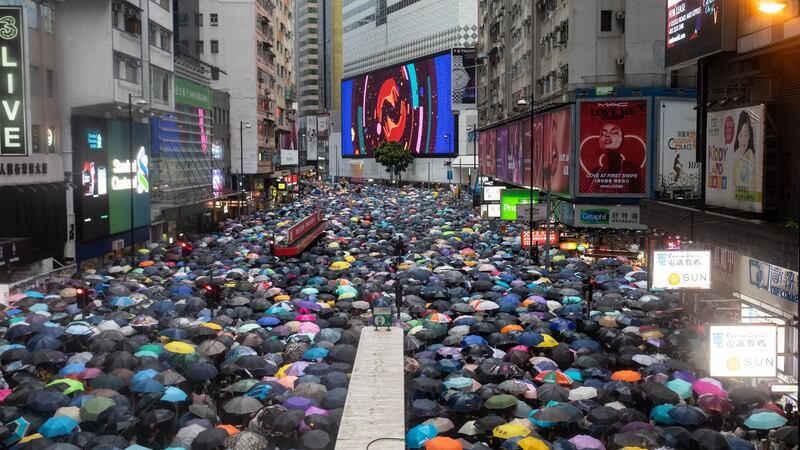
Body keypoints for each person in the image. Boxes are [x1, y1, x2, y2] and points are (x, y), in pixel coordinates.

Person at [580, 122, 646, 193]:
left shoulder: (632, 169)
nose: (607, 135)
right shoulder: (595, 172)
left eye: (614, 132)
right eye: (603, 133)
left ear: (622, 139)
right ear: (599, 140)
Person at [733, 110, 758, 195]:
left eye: (746, 135)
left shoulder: (751, 153)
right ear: (737, 137)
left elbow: (752, 179)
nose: (743, 140)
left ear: (750, 136)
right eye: (740, 135)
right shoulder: (735, 154)